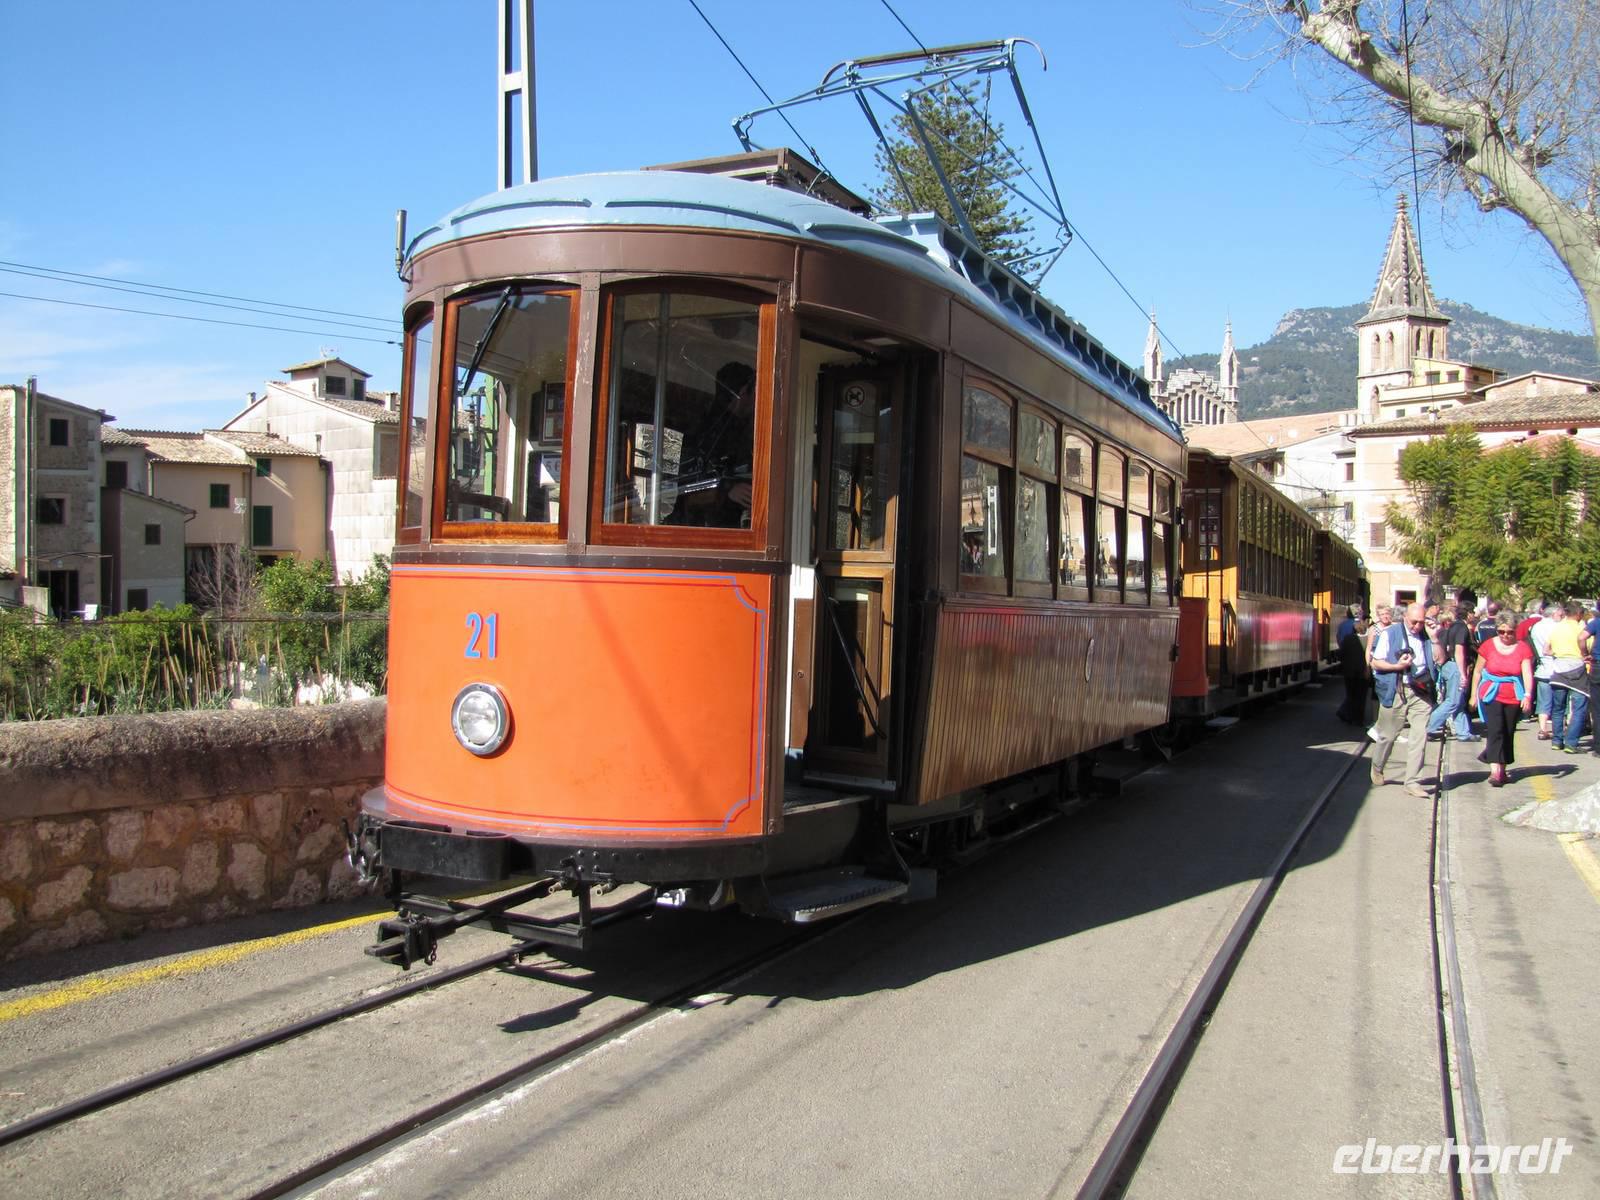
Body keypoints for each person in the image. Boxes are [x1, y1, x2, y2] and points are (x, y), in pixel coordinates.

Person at [1369, 602, 1439, 798]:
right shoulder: (1390, 634)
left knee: (1420, 736)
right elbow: (1375, 662)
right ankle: (1377, 766)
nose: (1417, 626)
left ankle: (1413, 782)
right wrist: (1397, 666)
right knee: (1388, 736)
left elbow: (1440, 659)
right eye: (1414, 622)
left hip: (1420, 692)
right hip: (1397, 689)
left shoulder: (1427, 635)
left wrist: (1434, 639)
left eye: (1421, 622)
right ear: (1405, 618)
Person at [1471, 613, 1535, 786]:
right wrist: (1472, 696)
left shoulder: (1523, 648)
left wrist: (1528, 695)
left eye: (1510, 632)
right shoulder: (1488, 646)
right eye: (1501, 631)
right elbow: (1477, 671)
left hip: (1514, 694)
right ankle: (1495, 772)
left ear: (1516, 631)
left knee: (1507, 731)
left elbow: (1527, 673)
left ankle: (1503, 768)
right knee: (1495, 730)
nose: (1505, 635)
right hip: (1491, 693)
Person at [1426, 605, 1477, 742]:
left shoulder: (1452, 627)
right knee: (1453, 701)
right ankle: (1427, 728)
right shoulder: (1461, 628)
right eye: (1473, 611)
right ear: (1468, 614)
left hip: (1448, 665)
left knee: (1459, 702)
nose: (1475, 614)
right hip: (1455, 666)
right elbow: (1459, 651)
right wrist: (1463, 674)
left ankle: (1463, 732)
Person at [1544, 600, 1589, 754]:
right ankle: (1571, 743)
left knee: (1558, 708)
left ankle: (1557, 741)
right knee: (1579, 708)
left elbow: (1546, 650)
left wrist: (1558, 653)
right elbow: (1586, 645)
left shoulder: (1556, 628)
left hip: (1558, 669)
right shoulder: (1581, 628)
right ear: (1578, 614)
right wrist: (1584, 655)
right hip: (1577, 669)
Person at [1528, 600, 1558, 739]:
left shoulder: (1535, 627)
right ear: (1554, 614)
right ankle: (1557, 730)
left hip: (1541, 667)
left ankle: (1542, 728)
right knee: (1559, 703)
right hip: (1557, 667)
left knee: (1543, 701)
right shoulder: (1556, 627)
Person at [1337, 618, 1371, 726]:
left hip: (1349, 672)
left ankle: (1348, 715)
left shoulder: (1348, 639)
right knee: (1361, 696)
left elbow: (1341, 654)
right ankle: (1358, 718)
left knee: (1351, 694)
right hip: (1363, 672)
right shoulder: (1368, 640)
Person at [1585, 605, 1600, 757]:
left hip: (1597, 665)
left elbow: (1581, 637)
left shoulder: (1596, 622)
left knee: (1597, 709)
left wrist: (1585, 653)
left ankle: (1598, 747)